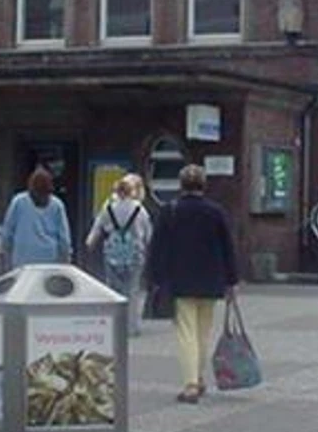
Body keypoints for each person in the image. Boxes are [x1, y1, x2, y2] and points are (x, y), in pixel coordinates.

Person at [145, 164, 239, 404]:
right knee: (204, 332)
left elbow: (157, 248)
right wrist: (232, 280)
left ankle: (190, 385)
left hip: (180, 282)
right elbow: (228, 247)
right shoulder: (216, 211)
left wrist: (154, 278)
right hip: (211, 281)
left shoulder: (170, 211)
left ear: (181, 185)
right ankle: (198, 376)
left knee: (186, 333)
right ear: (203, 185)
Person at [86, 175, 152, 335]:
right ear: (131, 191)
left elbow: (98, 227)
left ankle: (115, 325)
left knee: (113, 289)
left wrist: (90, 242)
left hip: (112, 253)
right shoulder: (139, 209)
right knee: (132, 289)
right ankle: (132, 327)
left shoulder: (108, 207)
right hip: (135, 254)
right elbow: (148, 233)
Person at [0, 168, 72, 269]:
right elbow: (64, 239)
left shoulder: (18, 202)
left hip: (21, 261)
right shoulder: (57, 205)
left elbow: (7, 233)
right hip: (49, 261)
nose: (41, 198)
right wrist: (66, 260)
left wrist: (5, 256)